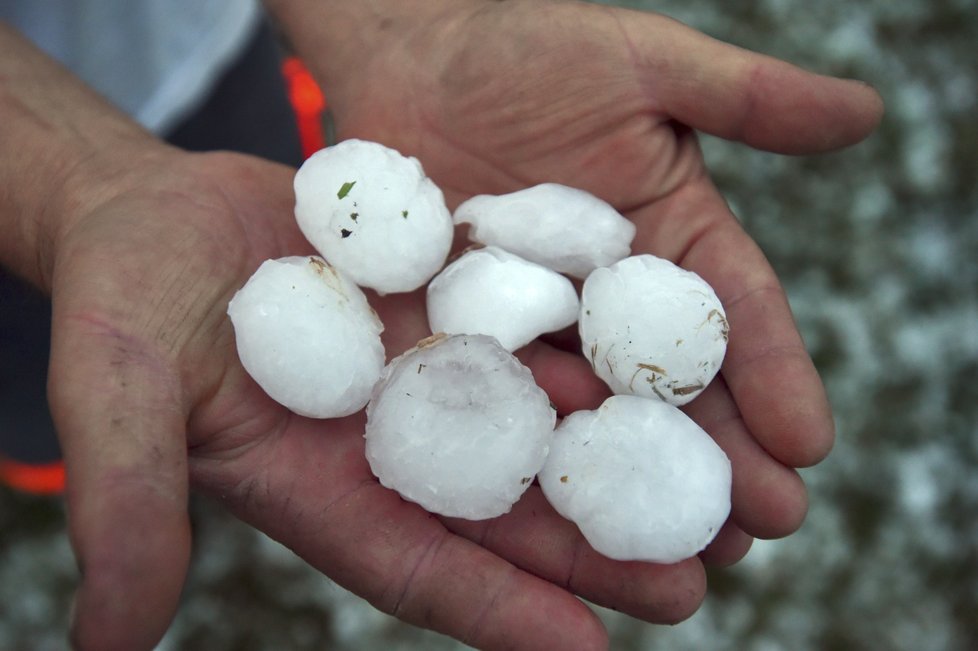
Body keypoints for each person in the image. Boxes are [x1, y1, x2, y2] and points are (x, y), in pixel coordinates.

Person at [0, 1, 883, 650]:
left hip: (198, 41)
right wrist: (66, 184)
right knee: (63, 381)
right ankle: (48, 452)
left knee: (156, 332)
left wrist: (390, 25)